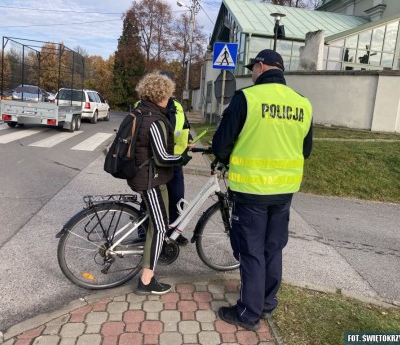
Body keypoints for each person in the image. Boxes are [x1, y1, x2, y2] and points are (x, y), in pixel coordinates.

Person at [212, 49, 313, 330]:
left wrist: (227, 158)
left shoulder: (247, 98)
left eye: (252, 68)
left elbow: (221, 146)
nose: (252, 73)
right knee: (273, 248)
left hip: (251, 190)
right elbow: (306, 150)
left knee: (250, 251)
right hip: (284, 192)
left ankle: (248, 313)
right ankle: (267, 303)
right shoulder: (302, 103)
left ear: (260, 67)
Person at [128, 71, 191, 294]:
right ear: (162, 95)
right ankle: (146, 281)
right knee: (160, 226)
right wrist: (181, 158)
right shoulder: (153, 119)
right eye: (169, 94)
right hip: (150, 178)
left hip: (147, 175)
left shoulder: (142, 112)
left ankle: (148, 269)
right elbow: (162, 157)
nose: (170, 98)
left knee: (159, 219)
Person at [134, 71, 193, 245]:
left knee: (177, 198)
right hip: (153, 162)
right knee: (150, 201)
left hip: (174, 161)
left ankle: (174, 231)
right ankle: (144, 234)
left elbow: (184, 126)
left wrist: (188, 140)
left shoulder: (177, 106)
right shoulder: (143, 106)